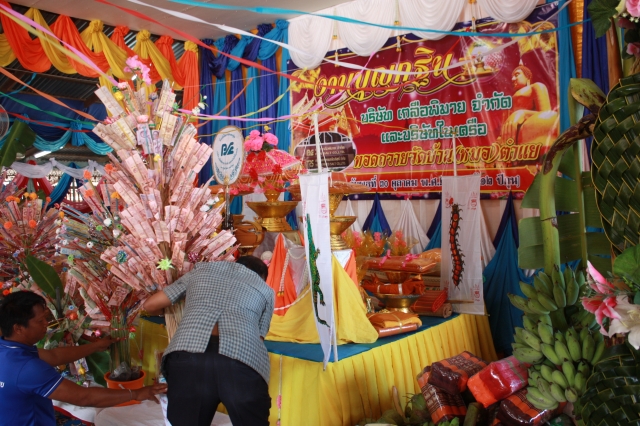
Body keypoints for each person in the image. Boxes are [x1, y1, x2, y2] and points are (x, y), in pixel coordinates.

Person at [0, 291, 168, 426]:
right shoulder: (27, 367)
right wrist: (136, 393)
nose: (46, 323)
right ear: (18, 328)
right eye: (40, 320)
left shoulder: (8, 349)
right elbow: (83, 397)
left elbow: (53, 356)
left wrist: (96, 346)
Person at [144, 255, 274, 426]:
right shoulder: (266, 290)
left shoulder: (200, 271)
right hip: (241, 360)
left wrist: (167, 312)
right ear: (261, 277)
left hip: (188, 355)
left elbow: (150, 305)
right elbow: (258, 338)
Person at [501, 64, 559, 147]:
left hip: (532, 125)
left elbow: (546, 113)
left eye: (517, 75)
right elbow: (506, 122)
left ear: (527, 76)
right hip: (514, 132)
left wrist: (523, 113)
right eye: (512, 77)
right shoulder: (509, 99)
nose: (513, 79)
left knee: (552, 117)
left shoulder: (536, 86)